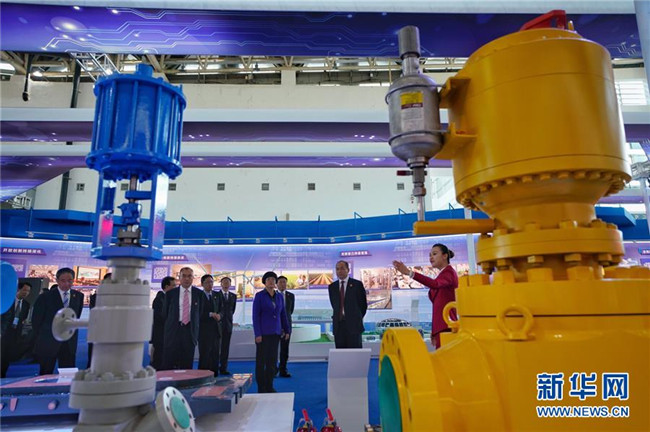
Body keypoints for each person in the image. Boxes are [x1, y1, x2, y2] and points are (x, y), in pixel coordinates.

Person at [393, 243, 458, 349]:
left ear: (445, 256)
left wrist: (410, 273)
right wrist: (434, 330)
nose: (431, 257)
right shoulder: (442, 275)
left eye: (434, 254)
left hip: (447, 326)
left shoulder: (449, 272)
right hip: (442, 327)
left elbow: (435, 284)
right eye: (430, 255)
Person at [32, 268, 84, 375]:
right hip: (49, 341)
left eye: (69, 280)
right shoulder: (45, 297)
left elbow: (76, 316)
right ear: (57, 280)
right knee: (46, 371)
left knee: (68, 373)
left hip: (69, 341)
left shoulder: (78, 296)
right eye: (63, 280)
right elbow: (36, 321)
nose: (66, 284)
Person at [252, 271, 290, 393]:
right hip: (263, 334)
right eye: (269, 279)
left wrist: (287, 330)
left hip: (275, 333)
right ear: (264, 282)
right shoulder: (259, 296)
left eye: (273, 279)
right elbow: (255, 316)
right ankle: (261, 387)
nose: (271, 281)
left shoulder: (279, 296)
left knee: (272, 361)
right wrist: (257, 334)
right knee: (261, 361)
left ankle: (269, 386)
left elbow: (283, 314)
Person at [161, 267, 203, 370]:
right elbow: (165, 314)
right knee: (168, 363)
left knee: (187, 364)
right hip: (173, 331)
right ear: (179, 277)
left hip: (190, 332)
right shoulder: (171, 294)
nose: (186, 279)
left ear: (193, 278)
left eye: (189, 276)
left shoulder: (199, 294)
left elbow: (200, 313)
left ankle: (186, 380)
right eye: (184, 276)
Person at [328, 260, 367, 349]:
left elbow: (363, 305)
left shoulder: (357, 285)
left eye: (342, 268)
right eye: (337, 269)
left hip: (354, 326)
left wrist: (356, 317)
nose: (339, 271)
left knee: (355, 353)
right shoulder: (332, 287)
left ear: (348, 270)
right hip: (339, 327)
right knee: (341, 353)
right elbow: (334, 305)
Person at [1, 282, 32, 377]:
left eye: (28, 291)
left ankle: (3, 375)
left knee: (7, 357)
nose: (26, 293)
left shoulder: (26, 305)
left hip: (15, 335)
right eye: (24, 290)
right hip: (4, 333)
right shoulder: (8, 301)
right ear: (18, 289)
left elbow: (23, 319)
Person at [198, 274, 222, 375]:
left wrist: (220, 315)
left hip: (216, 329)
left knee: (215, 352)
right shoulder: (199, 295)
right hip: (203, 330)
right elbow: (197, 312)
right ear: (202, 284)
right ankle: (203, 375)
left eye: (211, 282)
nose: (210, 284)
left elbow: (222, 309)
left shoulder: (217, 295)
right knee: (205, 353)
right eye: (207, 282)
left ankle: (214, 373)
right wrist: (210, 314)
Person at [150, 276, 175, 369]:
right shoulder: (159, 299)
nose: (175, 288)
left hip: (167, 334)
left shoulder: (168, 298)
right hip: (160, 334)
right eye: (173, 286)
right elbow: (159, 317)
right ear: (167, 286)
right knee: (159, 358)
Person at [87, 272, 111, 368]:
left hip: (113, 332)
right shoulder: (95, 297)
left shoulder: (122, 299)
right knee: (93, 360)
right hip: (97, 331)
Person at [216, 276, 236, 375]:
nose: (226, 284)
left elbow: (232, 310)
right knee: (216, 347)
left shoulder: (233, 296)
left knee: (225, 347)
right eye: (224, 282)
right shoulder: (216, 295)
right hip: (217, 325)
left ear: (230, 284)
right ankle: (215, 367)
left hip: (228, 325)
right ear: (221, 284)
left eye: (228, 282)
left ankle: (223, 367)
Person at [276, 275, 294, 377]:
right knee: (273, 349)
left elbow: (290, 311)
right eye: (280, 282)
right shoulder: (273, 295)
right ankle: (273, 369)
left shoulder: (291, 296)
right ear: (277, 284)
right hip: (275, 325)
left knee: (285, 349)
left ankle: (283, 369)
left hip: (287, 325)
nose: (283, 284)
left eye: (284, 282)